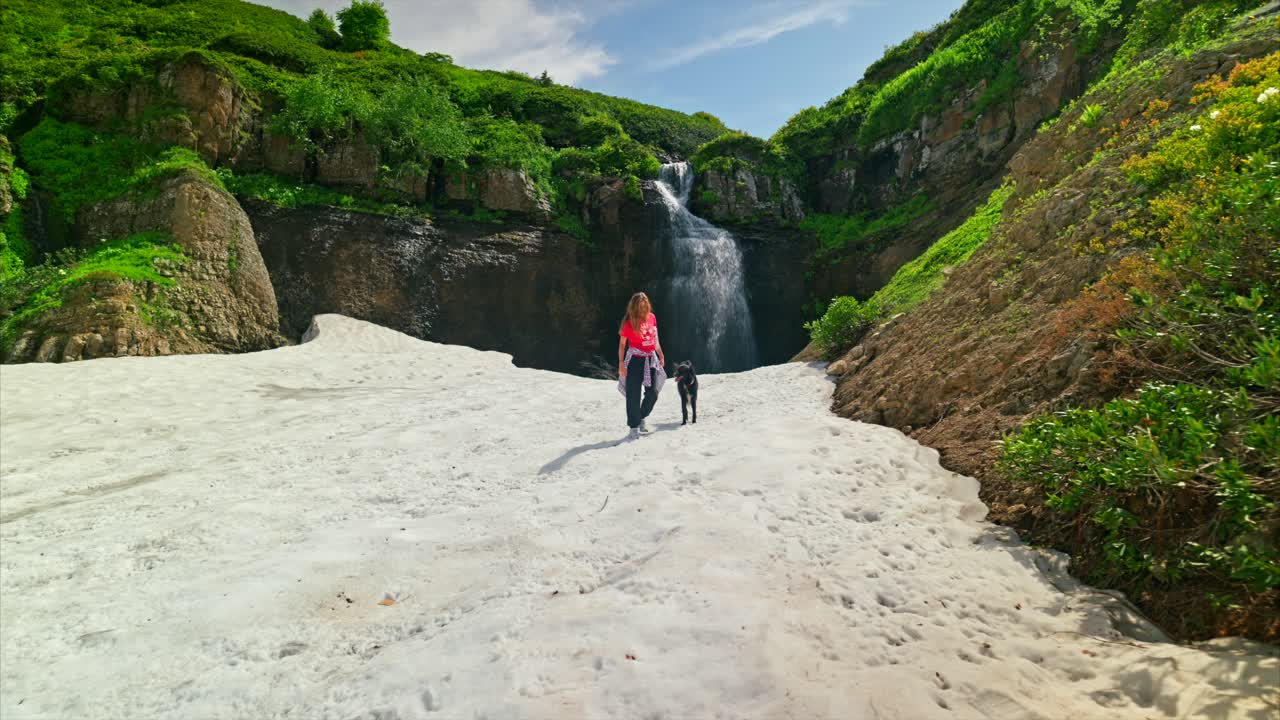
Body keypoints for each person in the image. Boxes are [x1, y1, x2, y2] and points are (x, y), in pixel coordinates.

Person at [616, 291, 666, 438]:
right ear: (634, 307)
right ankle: (633, 427)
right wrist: (621, 364)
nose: (643, 309)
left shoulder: (652, 318)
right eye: (640, 306)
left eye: (645, 306)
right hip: (634, 360)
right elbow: (622, 345)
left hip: (650, 359)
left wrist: (661, 354)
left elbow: (655, 340)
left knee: (652, 393)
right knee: (633, 394)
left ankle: (640, 416)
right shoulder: (629, 322)